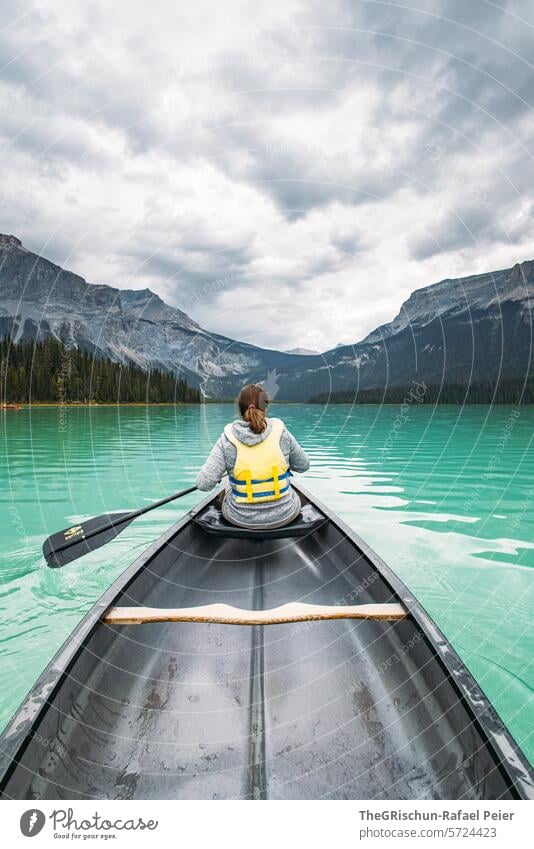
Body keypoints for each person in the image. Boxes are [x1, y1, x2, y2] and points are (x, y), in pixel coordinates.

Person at [196, 383, 310, 529]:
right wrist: (288, 464)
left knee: (227, 488)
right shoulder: (281, 432)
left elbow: (203, 484)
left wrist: (218, 477)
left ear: (239, 409)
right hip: (285, 515)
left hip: (240, 519)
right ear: (266, 408)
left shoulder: (227, 439)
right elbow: (304, 465)